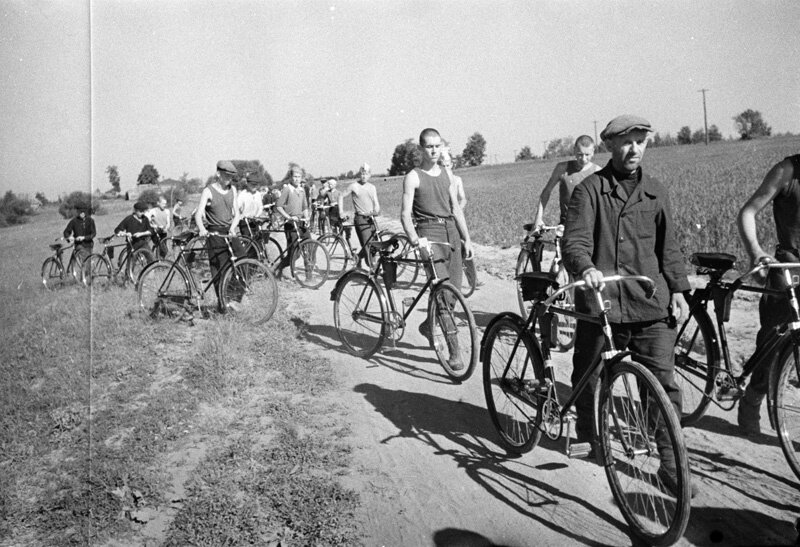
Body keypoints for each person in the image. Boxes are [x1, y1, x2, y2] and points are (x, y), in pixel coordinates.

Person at [561, 115, 694, 495]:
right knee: (589, 373)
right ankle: (590, 435)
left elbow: (669, 247)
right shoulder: (589, 191)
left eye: (640, 141)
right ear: (609, 146)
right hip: (602, 303)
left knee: (663, 387)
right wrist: (585, 268)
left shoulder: (656, 191)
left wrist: (680, 290)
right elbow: (575, 243)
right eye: (626, 142)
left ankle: (670, 465)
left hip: (650, 302)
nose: (634, 149)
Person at [736, 153, 800, 435]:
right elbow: (748, 212)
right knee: (772, 344)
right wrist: (756, 251)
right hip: (790, 271)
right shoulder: (788, 170)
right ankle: (753, 398)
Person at [400, 127, 474, 370]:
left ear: (442, 146)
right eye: (429, 146)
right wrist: (414, 239)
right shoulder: (413, 176)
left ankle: (428, 325)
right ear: (421, 149)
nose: (433, 150)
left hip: (451, 232)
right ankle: (454, 352)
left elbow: (456, 208)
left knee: (454, 292)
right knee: (442, 292)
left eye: (437, 146)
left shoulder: (447, 174)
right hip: (428, 234)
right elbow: (405, 214)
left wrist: (467, 239)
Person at [194, 160, 244, 298]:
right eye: (226, 176)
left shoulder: (232, 190)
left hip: (229, 231)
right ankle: (223, 303)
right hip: (214, 232)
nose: (229, 179)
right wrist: (202, 229)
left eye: (231, 176)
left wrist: (233, 228)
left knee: (243, 259)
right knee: (220, 268)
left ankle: (234, 296)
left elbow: (237, 213)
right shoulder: (208, 191)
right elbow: (198, 215)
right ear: (218, 174)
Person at [532, 135, 599, 229]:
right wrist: (538, 218)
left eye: (587, 155)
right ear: (574, 150)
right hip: (566, 225)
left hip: (591, 226)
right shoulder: (562, 168)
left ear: (593, 152)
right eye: (580, 154)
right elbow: (547, 191)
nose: (583, 159)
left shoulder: (597, 172)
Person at [440, 149, 480, 290]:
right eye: (442, 165)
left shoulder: (457, 180)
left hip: (456, 216)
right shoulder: (439, 180)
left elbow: (463, 198)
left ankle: (473, 280)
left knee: (466, 245)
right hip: (446, 217)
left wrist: (459, 208)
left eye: (448, 165)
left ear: (452, 165)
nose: (445, 168)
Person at [338, 163, 380, 264]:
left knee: (376, 245)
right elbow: (340, 196)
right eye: (362, 174)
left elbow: (376, 202)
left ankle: (357, 257)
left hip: (371, 218)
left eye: (366, 174)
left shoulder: (372, 187)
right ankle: (372, 270)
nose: (363, 176)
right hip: (361, 218)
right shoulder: (354, 186)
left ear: (370, 175)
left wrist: (376, 210)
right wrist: (341, 212)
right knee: (368, 246)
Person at [275, 166, 309, 277]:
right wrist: (288, 217)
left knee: (309, 246)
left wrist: (307, 218)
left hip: (301, 222)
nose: (296, 179)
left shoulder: (302, 190)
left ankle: (309, 276)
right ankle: (279, 269)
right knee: (295, 252)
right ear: (291, 177)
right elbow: (279, 206)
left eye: (299, 177)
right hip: (291, 223)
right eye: (294, 177)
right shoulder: (287, 189)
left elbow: (305, 207)